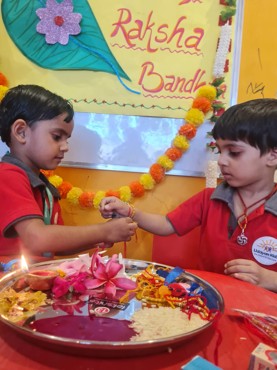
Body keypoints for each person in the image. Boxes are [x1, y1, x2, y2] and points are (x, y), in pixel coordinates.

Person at [100, 98, 277, 292]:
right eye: (219, 151)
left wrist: (270, 279)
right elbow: (166, 224)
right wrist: (129, 211)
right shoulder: (209, 198)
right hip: (207, 302)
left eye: (234, 152)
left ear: (273, 155)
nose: (221, 161)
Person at [0, 85, 137, 260]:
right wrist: (104, 231)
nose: (65, 147)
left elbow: (55, 247)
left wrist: (104, 235)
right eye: (57, 136)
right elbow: (38, 239)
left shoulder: (43, 186)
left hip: (36, 280)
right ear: (21, 132)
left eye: (66, 139)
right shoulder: (8, 176)